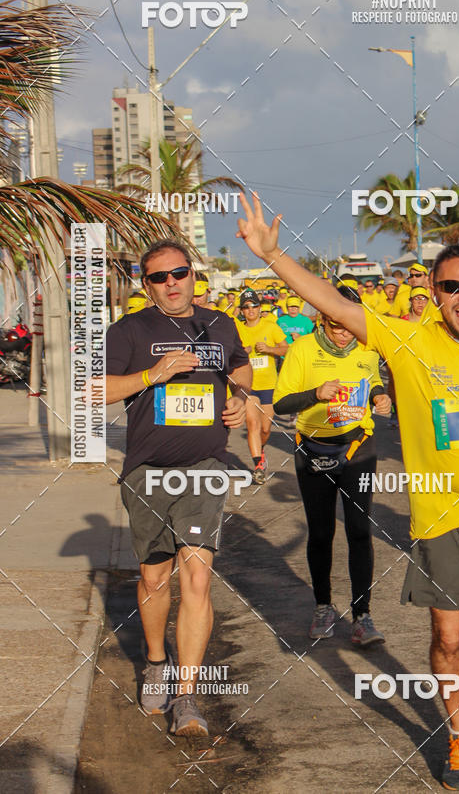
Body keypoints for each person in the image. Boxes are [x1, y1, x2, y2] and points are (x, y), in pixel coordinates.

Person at [236, 192, 459, 794]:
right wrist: (273, 256)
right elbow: (332, 303)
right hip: (442, 513)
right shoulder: (406, 340)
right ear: (434, 292)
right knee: (449, 639)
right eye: (452, 287)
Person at [105, 239, 251, 736]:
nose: (171, 283)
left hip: (205, 467)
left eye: (179, 273)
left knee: (197, 577)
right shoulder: (129, 330)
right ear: (146, 285)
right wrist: (152, 374)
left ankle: (186, 696)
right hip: (147, 470)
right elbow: (94, 390)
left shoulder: (220, 324)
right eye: (159, 277)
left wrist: (240, 396)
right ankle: (155, 662)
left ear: (193, 274)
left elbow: (240, 366)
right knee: (153, 579)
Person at [273, 285, 390, 645]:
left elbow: (372, 378)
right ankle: (323, 607)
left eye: (350, 325)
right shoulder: (303, 349)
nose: (344, 333)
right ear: (323, 318)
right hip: (314, 449)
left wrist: (379, 396)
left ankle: (362, 616)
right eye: (337, 325)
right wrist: (316, 394)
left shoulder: (367, 346)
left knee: (359, 530)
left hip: (358, 448)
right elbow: (280, 404)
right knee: (322, 532)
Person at [236, 288, 288, 483]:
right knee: (253, 424)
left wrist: (269, 349)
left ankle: (261, 449)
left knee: (265, 429)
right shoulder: (237, 329)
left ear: (260, 308)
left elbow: (286, 349)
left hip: (269, 385)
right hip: (248, 385)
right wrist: (241, 352)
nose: (251, 310)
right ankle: (258, 465)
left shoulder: (271, 326)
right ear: (242, 311)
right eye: (246, 307)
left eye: (254, 306)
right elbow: (229, 353)